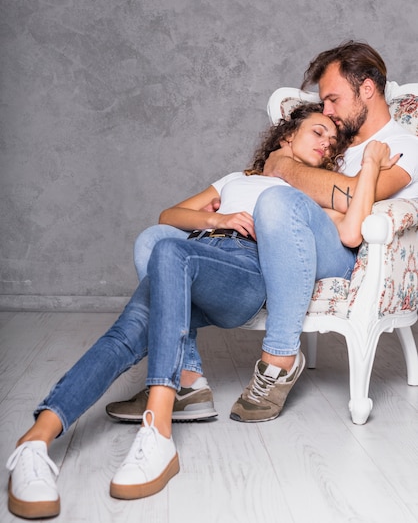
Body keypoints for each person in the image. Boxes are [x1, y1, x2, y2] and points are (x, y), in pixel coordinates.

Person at [6, 103, 392, 518]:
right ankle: (35, 441)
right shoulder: (234, 181)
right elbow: (170, 215)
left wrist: (369, 164)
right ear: (286, 137)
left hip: (245, 273)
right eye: (318, 132)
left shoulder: (307, 193)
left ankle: (158, 428)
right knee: (141, 289)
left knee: (169, 250)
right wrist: (222, 218)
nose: (327, 142)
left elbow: (350, 231)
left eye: (332, 141)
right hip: (196, 255)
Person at [229, 40, 418, 423]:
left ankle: (278, 359)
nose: (326, 111)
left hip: (352, 257)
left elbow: (350, 199)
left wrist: (284, 167)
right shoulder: (332, 142)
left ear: (367, 89)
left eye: (333, 99)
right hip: (295, 241)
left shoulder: (403, 146)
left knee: (278, 203)